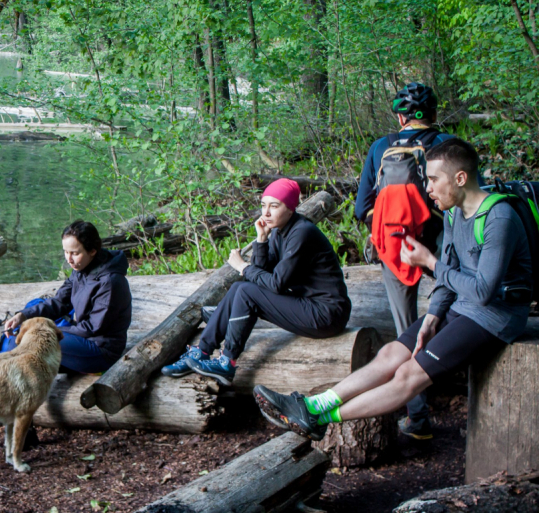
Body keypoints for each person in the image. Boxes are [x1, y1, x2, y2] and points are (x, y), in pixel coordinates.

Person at [256, 139, 532, 441]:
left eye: (433, 179)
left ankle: (324, 418)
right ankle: (311, 405)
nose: (427, 187)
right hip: (462, 307)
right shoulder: (454, 213)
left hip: (495, 316)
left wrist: (430, 261)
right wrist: (434, 314)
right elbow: (451, 274)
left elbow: (482, 291)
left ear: (460, 179)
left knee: (407, 375)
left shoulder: (498, 218)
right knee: (390, 353)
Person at [162, 178, 352, 385]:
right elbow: (262, 274)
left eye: (274, 206)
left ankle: (227, 362)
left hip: (326, 314)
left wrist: (243, 266)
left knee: (244, 291)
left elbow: (275, 284)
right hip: (307, 304)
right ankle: (202, 351)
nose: (266, 213)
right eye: (263, 205)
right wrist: (261, 240)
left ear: (290, 208)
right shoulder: (280, 231)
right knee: (239, 288)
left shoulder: (302, 233)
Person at [355, 82, 455, 440]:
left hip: (396, 245)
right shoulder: (449, 145)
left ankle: (418, 419)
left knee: (405, 329)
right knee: (467, 310)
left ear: (400, 115)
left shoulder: (381, 146)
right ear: (433, 114)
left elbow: (361, 207)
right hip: (445, 241)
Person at [1, 220, 132, 373]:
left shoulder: (110, 282)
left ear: (92, 251)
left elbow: (92, 329)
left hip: (100, 350)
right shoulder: (81, 267)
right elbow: (59, 302)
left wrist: (45, 329)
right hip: (82, 337)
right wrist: (23, 316)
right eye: (66, 252)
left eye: (75, 253)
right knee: (25, 332)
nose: (69, 259)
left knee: (33, 340)